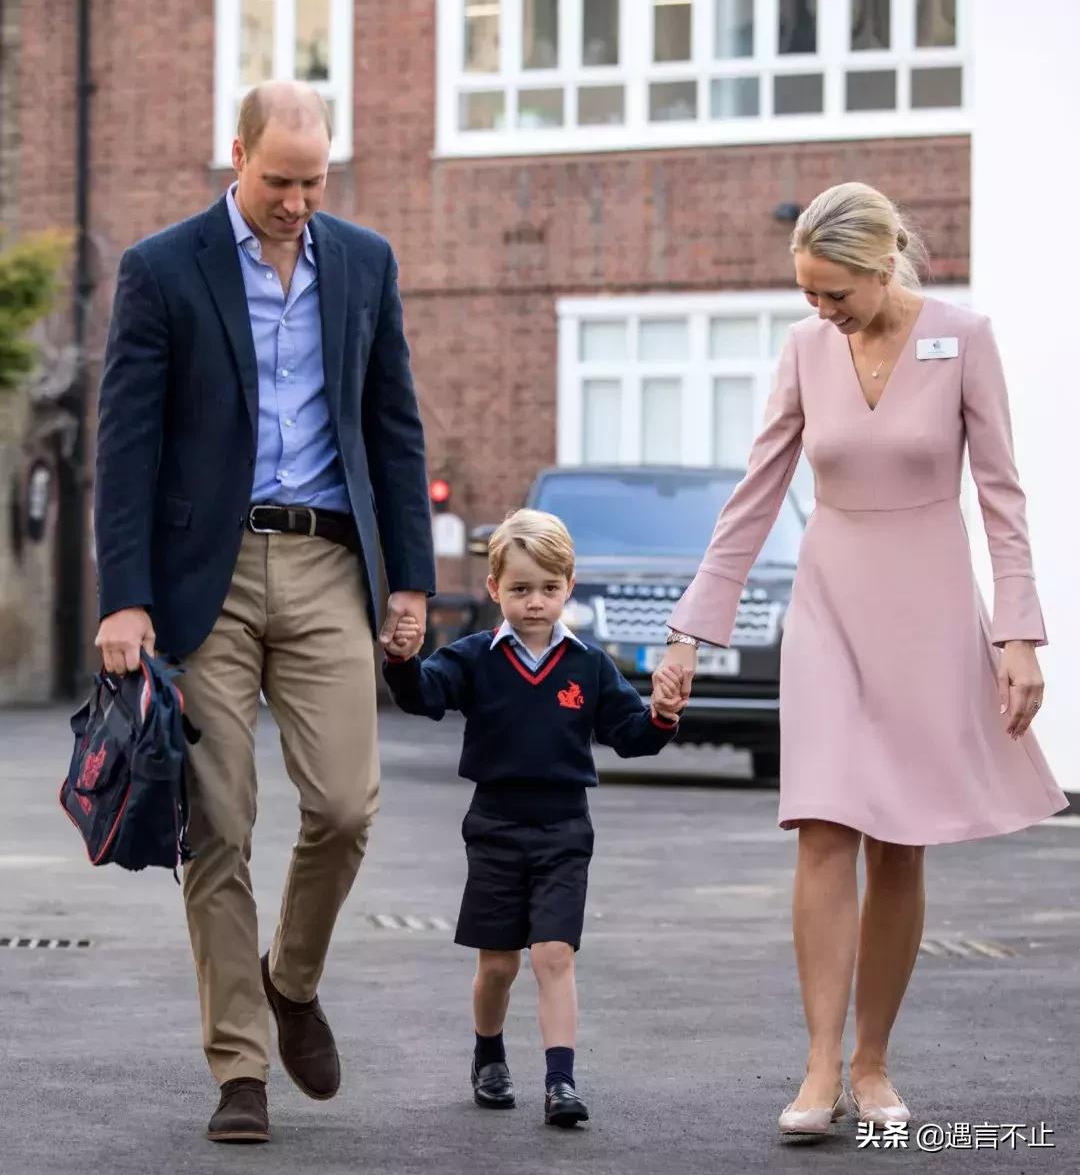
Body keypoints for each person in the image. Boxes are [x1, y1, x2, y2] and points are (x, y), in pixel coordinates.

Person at [658, 182, 1068, 1136]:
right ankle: (815, 1070)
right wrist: (691, 631)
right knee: (823, 823)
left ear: (886, 265)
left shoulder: (964, 337)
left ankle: (872, 1062)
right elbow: (754, 496)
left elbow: (1003, 499)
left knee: (899, 837)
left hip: (927, 609)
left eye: (834, 292)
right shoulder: (806, 351)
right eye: (808, 293)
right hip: (830, 608)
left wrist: (1018, 636)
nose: (821, 311)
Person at [93, 81, 435, 1143]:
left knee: (343, 805)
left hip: (332, 562)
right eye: (278, 179)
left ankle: (292, 979)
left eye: (313, 180)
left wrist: (412, 581)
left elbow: (395, 425)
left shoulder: (365, 263)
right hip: (210, 574)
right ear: (235, 155)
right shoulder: (161, 268)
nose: (295, 200)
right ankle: (240, 1065)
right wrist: (125, 599)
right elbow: (125, 444)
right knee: (219, 821)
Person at [382, 510, 685, 1127]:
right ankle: (488, 1055)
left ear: (568, 586)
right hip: (494, 826)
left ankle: (560, 1081)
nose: (536, 602)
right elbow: (425, 696)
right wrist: (404, 661)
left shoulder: (588, 665)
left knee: (554, 954)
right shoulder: (473, 658)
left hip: (565, 829)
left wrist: (661, 714)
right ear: (494, 589)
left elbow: (630, 734)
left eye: (549, 588)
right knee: (499, 964)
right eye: (520, 589)